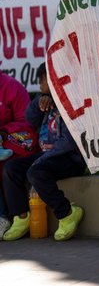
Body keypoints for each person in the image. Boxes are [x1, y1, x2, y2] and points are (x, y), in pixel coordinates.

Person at [2, 63, 86, 241]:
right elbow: (29, 119)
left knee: (36, 171)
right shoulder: (46, 101)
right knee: (11, 168)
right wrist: (40, 100)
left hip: (69, 158)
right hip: (48, 156)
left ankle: (67, 213)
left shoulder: (71, 101)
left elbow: (69, 142)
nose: (40, 86)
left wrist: (42, 159)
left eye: (42, 82)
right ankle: (21, 216)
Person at [0, 70, 37, 238]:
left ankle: (3, 217)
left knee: (8, 166)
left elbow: (26, 122)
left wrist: (3, 133)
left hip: (16, 140)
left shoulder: (11, 86)